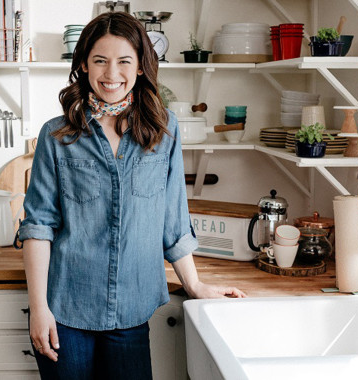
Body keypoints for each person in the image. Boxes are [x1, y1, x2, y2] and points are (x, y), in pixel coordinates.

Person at [15, 12, 246, 380]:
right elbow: (39, 225)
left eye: (124, 61)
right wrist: (38, 307)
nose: (111, 74)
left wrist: (196, 285)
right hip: (66, 310)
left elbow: (173, 221)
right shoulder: (56, 135)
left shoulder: (164, 130)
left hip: (132, 312)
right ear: (85, 66)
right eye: (100, 61)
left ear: (140, 67)